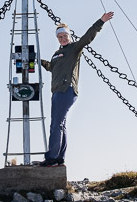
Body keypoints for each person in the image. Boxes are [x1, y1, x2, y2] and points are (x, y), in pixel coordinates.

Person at [37, 12, 114, 166]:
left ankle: (51, 157)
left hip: (67, 90)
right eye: (60, 37)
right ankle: (59, 158)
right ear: (57, 39)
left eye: (65, 36)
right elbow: (51, 67)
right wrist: (37, 60)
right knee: (61, 124)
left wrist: (101, 21)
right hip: (56, 92)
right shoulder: (57, 54)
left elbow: (87, 37)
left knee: (56, 124)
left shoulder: (74, 49)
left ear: (69, 36)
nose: (63, 39)